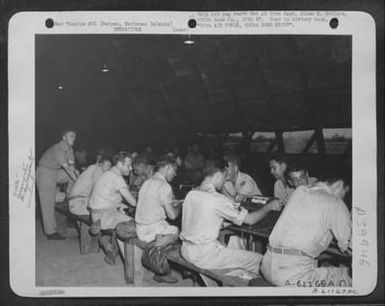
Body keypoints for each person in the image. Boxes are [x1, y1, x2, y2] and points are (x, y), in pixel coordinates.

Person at [180, 160, 282, 276]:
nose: (224, 181)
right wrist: (269, 206)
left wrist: (225, 222)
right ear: (218, 175)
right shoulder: (217, 199)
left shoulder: (191, 194)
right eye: (224, 177)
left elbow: (201, 220)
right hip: (204, 256)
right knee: (262, 261)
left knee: (234, 250)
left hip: (186, 250)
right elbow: (250, 220)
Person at [261, 171, 352, 287]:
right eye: (344, 192)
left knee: (324, 268)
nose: (343, 196)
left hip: (267, 266)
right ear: (339, 184)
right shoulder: (335, 202)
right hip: (293, 275)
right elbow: (351, 248)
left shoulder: (299, 191)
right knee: (349, 276)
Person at [135, 155, 182, 283]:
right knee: (176, 231)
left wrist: (170, 204)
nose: (175, 174)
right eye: (174, 170)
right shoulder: (163, 185)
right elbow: (172, 215)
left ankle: (157, 256)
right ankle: (160, 267)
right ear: (168, 168)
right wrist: (180, 206)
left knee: (166, 225)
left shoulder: (147, 182)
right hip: (152, 232)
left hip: (140, 229)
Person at [88, 151, 137, 264]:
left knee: (122, 217)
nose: (130, 169)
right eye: (128, 165)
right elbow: (133, 203)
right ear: (120, 164)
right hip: (106, 214)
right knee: (133, 225)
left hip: (96, 213)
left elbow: (112, 197)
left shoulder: (107, 173)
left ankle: (106, 239)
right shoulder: (117, 177)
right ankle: (111, 246)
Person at [36, 129, 79, 240]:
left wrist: (78, 180)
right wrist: (78, 181)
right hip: (45, 172)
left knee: (76, 173)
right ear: (64, 137)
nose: (73, 139)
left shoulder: (69, 149)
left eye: (74, 136)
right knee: (47, 203)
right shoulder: (58, 148)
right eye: (71, 136)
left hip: (55, 172)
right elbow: (67, 169)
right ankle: (51, 233)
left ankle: (71, 197)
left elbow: (72, 168)